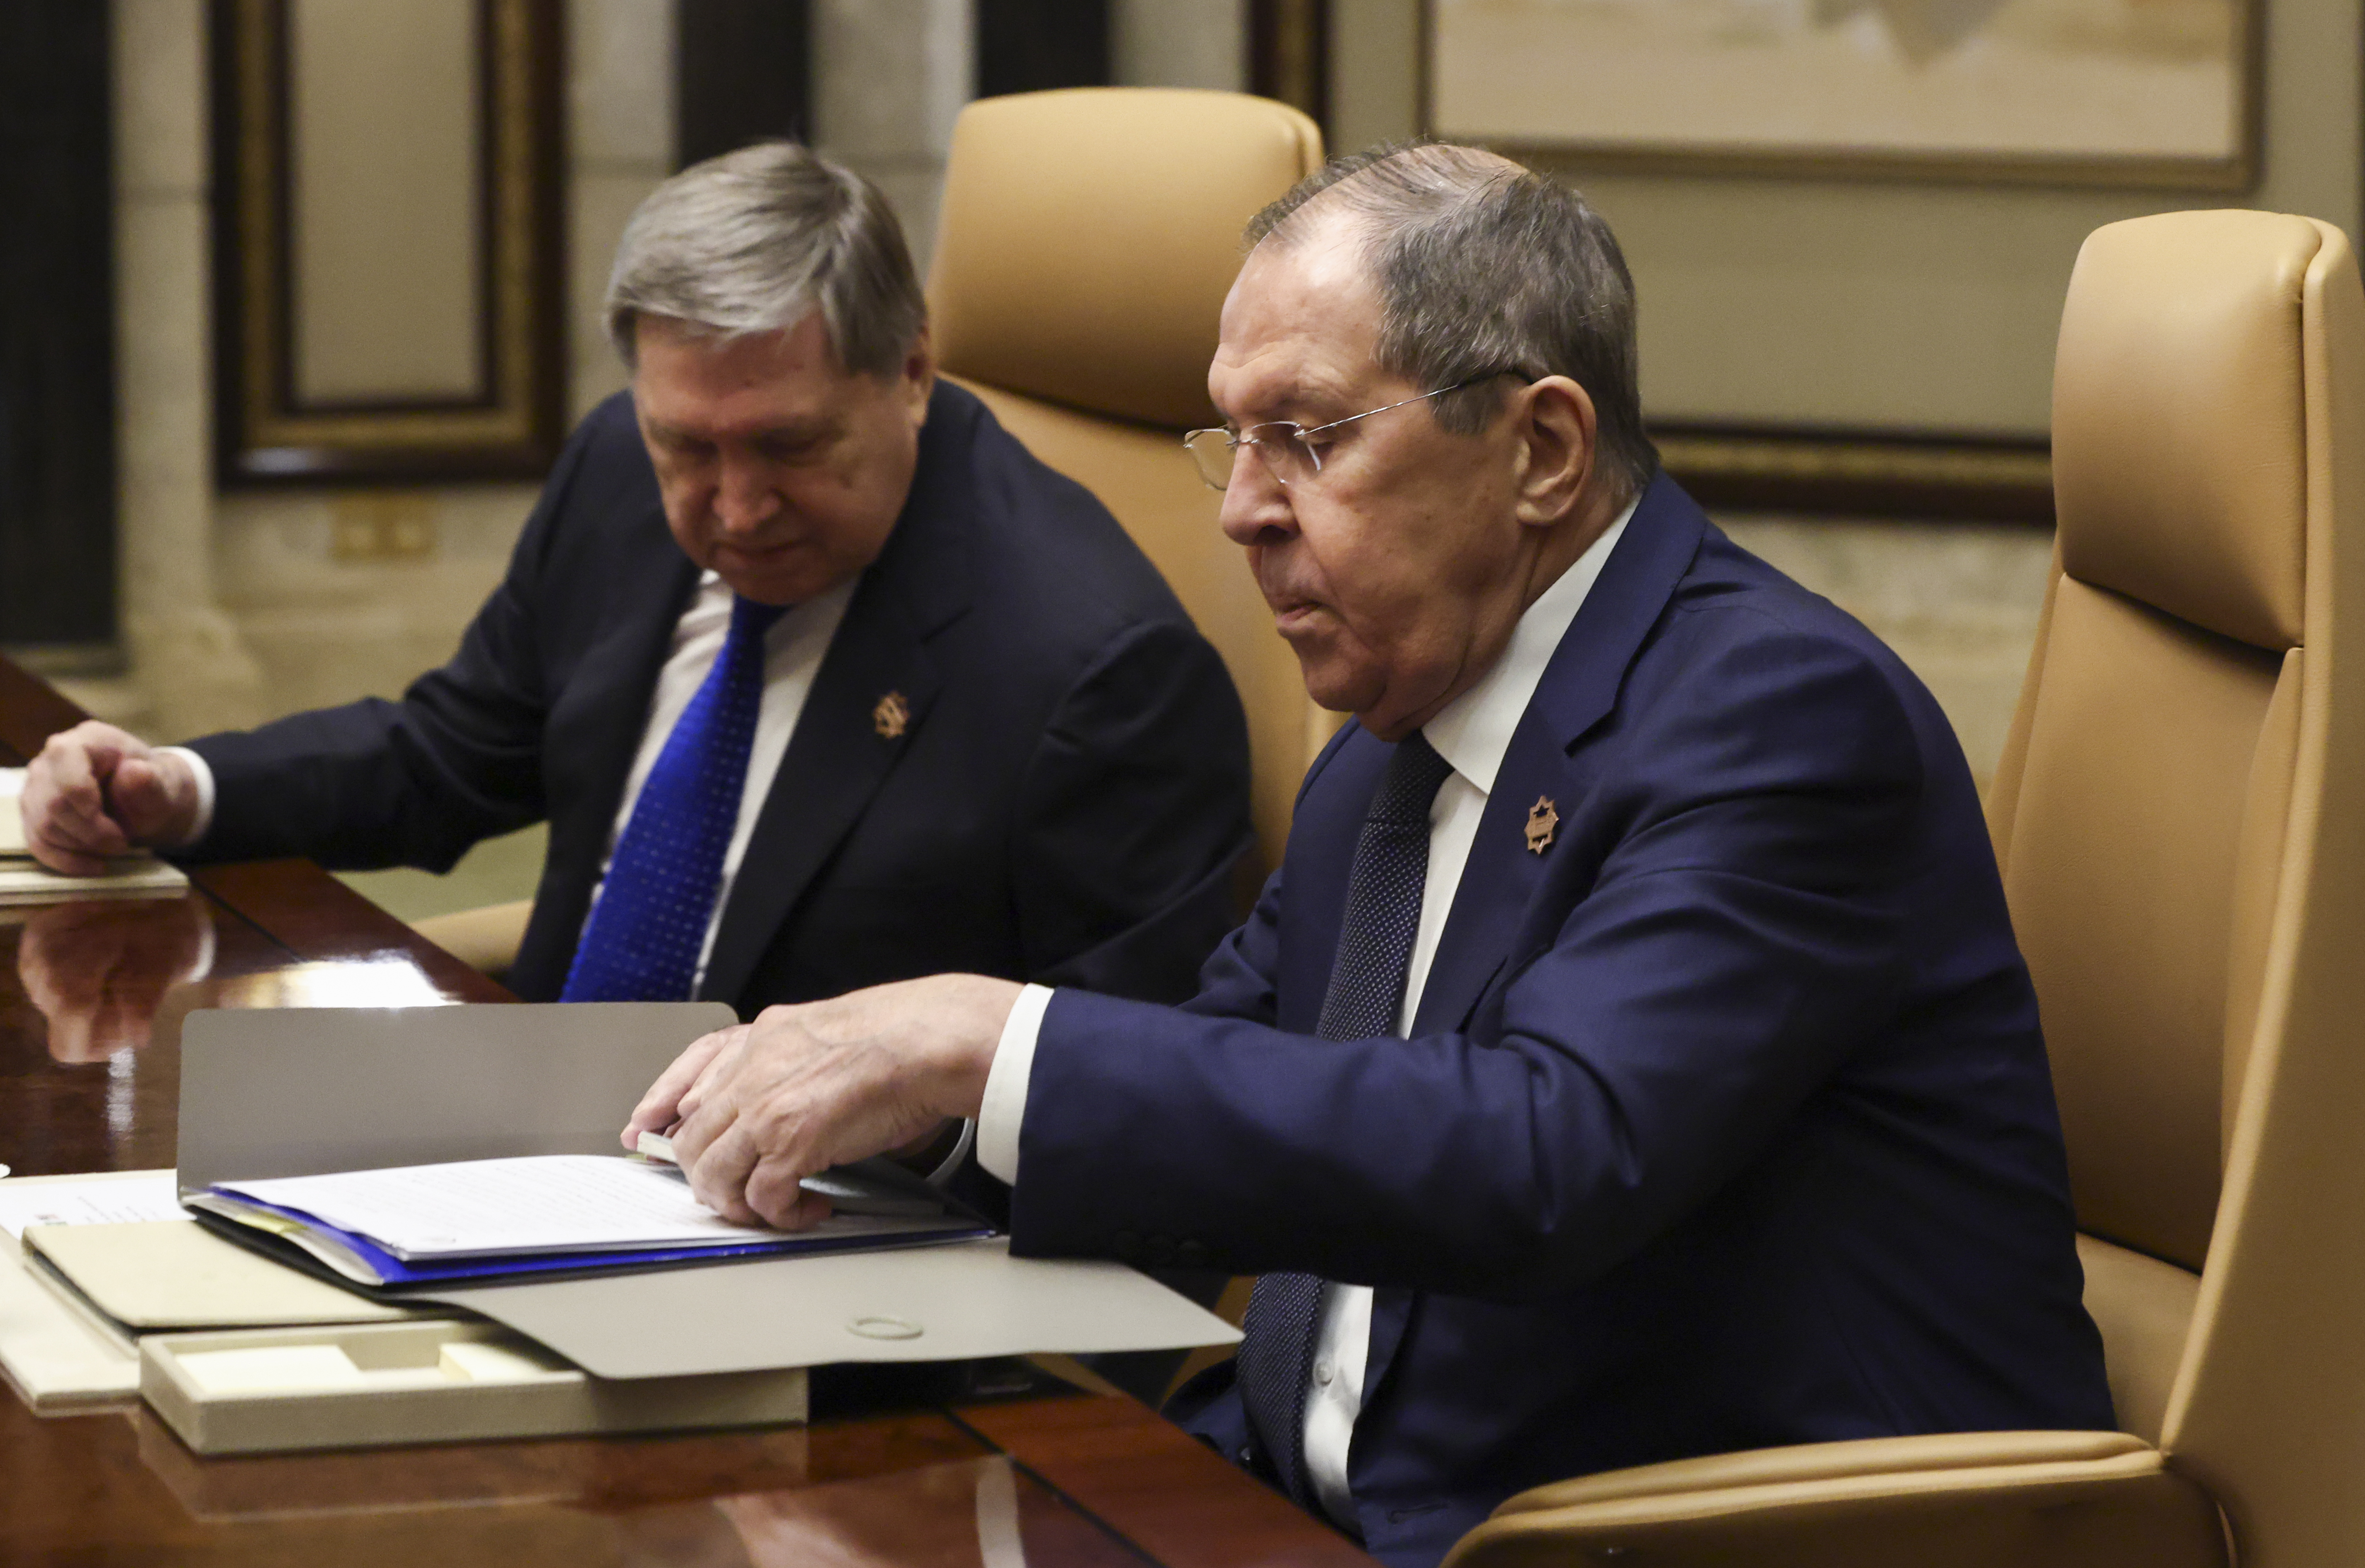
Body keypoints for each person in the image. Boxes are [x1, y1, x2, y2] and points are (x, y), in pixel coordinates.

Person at [621, 142, 2117, 1568]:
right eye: (1234, 436)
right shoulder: (1399, 739)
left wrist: (990, 1035)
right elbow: (1219, 1096)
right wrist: (914, 1111)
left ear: (1539, 448)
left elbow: (1544, 1151)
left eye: (1310, 437)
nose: (1242, 509)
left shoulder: (1774, 717)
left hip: (1662, 1530)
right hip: (1285, 1500)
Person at [17, 143, 1253, 1020]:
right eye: (687, 447)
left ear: (913, 372)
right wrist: (176, 790)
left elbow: (1126, 1089)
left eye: (787, 446)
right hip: (542, 1137)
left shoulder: (1094, 671)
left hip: (827, 1240)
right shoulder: (617, 466)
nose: (732, 508)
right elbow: (456, 753)